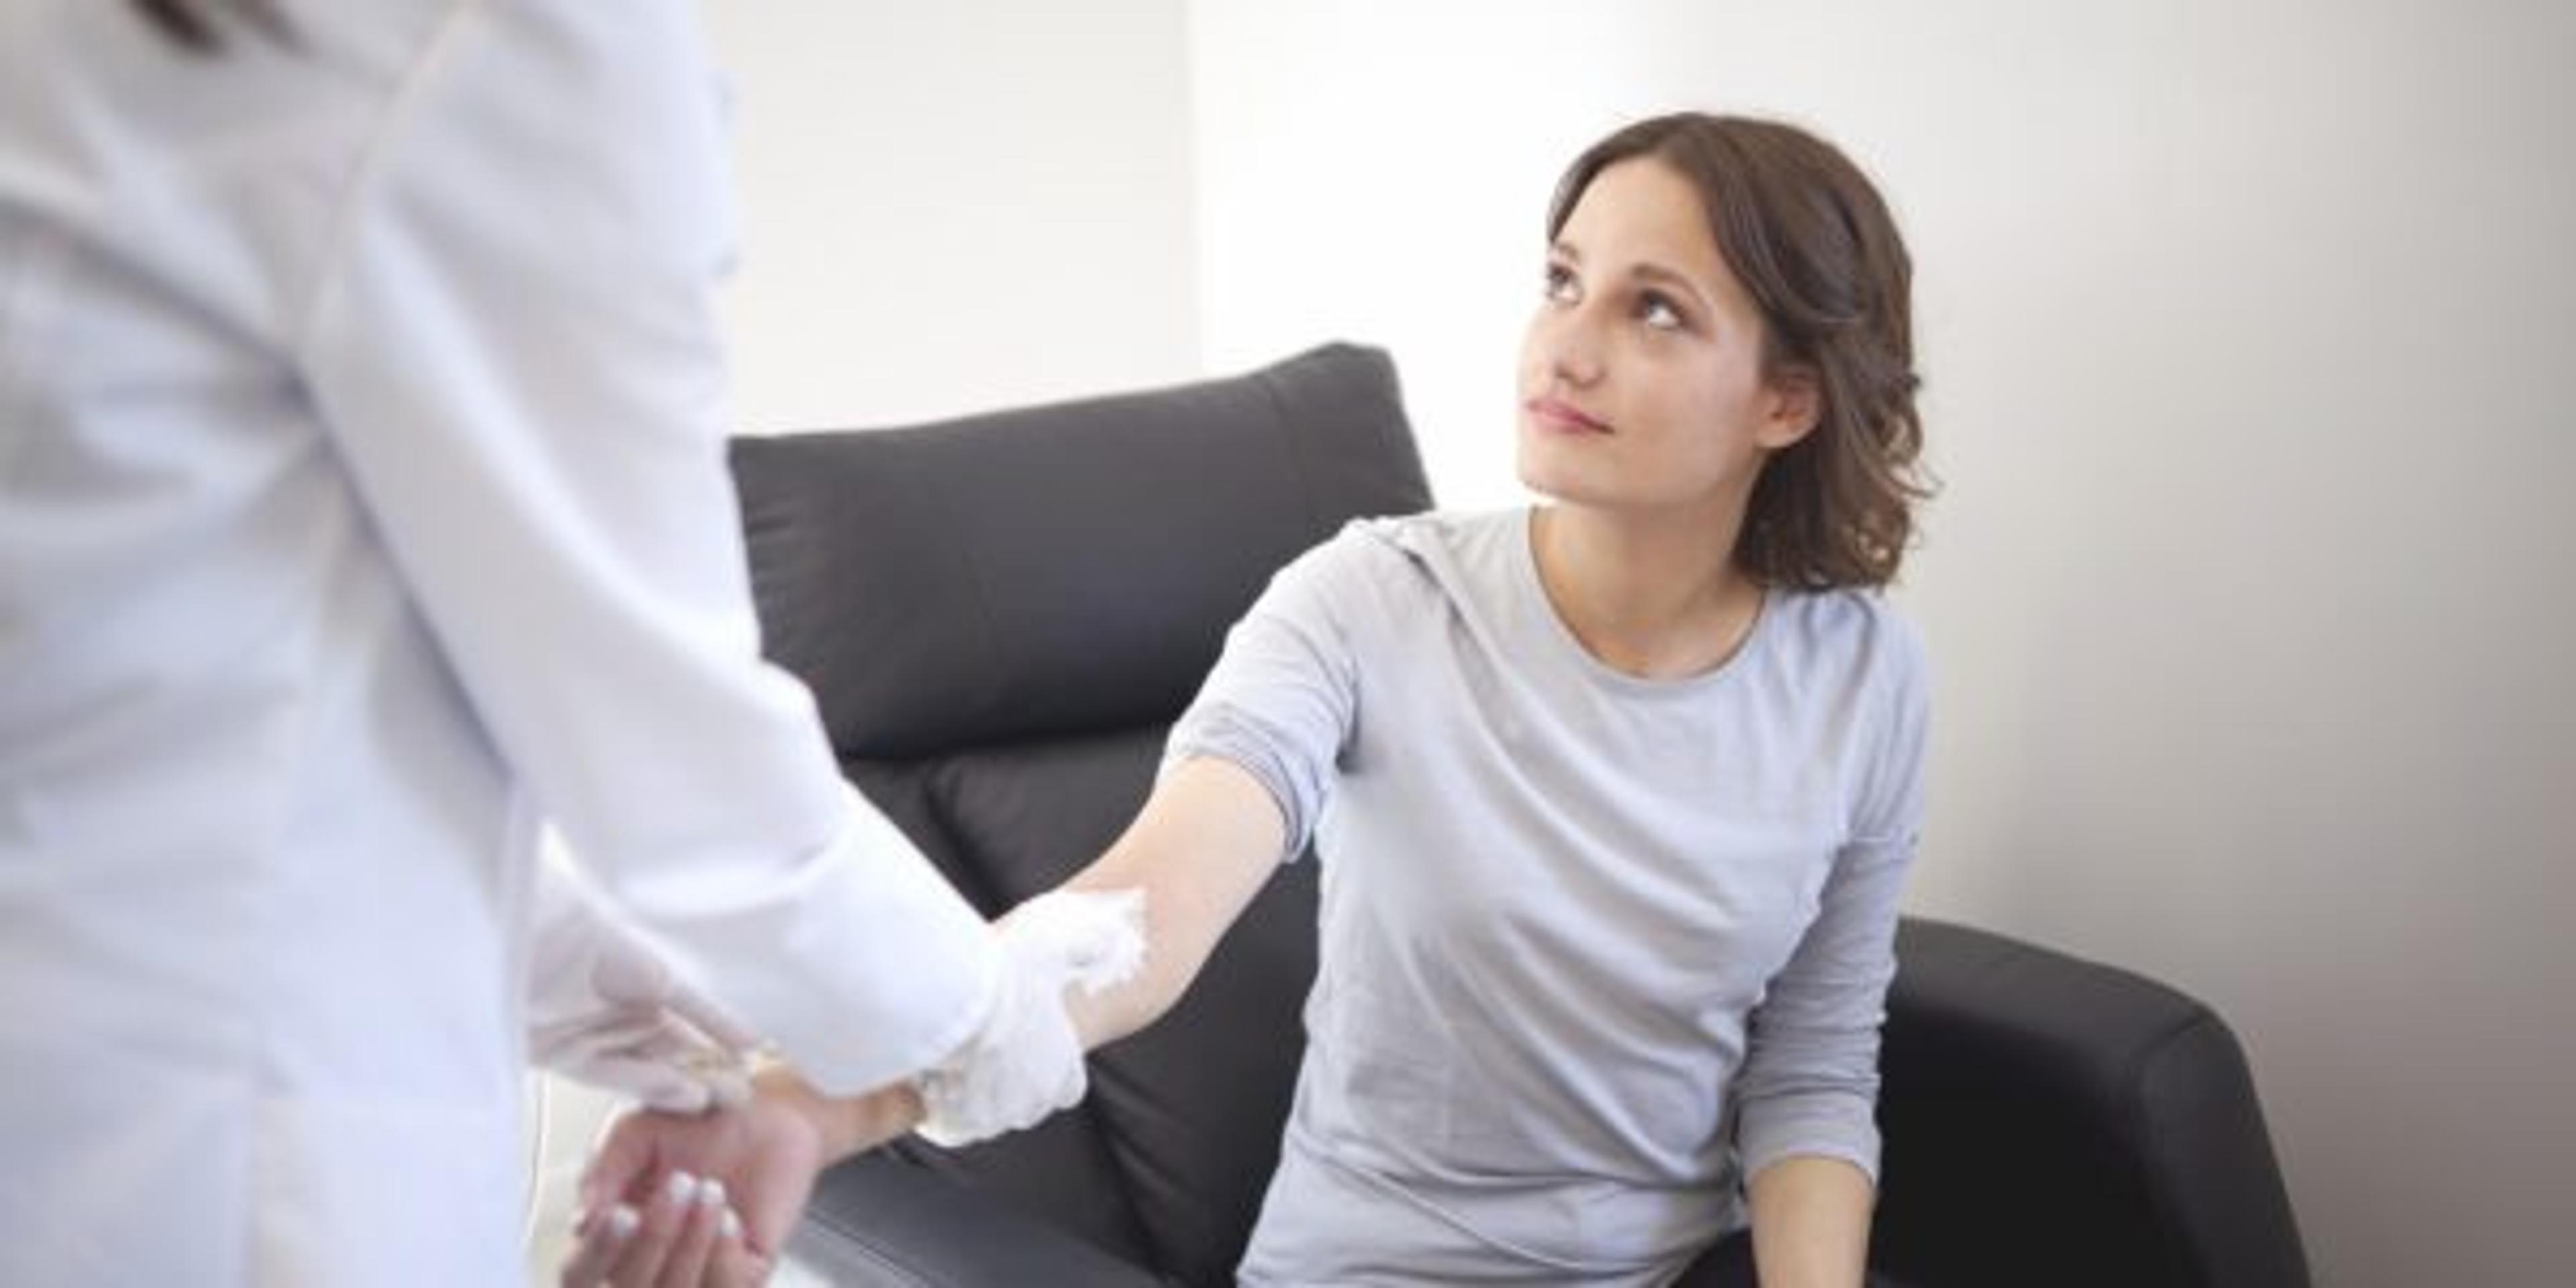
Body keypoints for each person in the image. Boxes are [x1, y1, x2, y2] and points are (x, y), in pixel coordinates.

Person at [577, 110, 1932, 1287]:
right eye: (1562, 280)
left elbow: (1812, 1067)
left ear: (1787, 402)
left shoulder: (1863, 681)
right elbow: (1129, 933)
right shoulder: (1366, 604)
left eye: (1654, 309)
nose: (1564, 348)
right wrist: (801, 1108)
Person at [0, 2, 1122, 1283]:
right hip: (209, 1170)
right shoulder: (487, 40)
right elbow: (684, 765)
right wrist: (988, 1018)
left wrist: (622, 995)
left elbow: (180, 701)